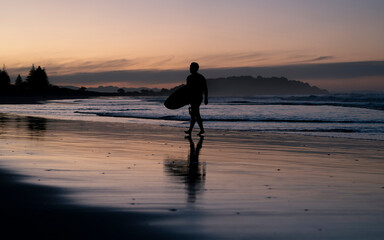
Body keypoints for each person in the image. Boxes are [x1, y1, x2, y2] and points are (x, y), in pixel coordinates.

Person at [185, 62, 208, 136]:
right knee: (194, 114)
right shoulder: (189, 78)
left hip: (198, 98)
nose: (190, 69)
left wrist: (206, 98)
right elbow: (187, 89)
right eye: (190, 67)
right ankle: (198, 130)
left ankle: (195, 130)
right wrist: (186, 99)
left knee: (195, 113)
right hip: (191, 98)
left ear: (196, 69)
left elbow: (205, 88)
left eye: (191, 67)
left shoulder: (200, 77)